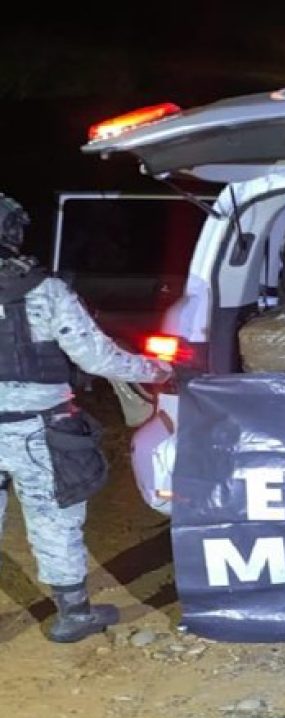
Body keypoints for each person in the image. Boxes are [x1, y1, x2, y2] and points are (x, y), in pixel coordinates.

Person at [0, 192, 172, 642]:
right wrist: (159, 371)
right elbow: (97, 358)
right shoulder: (44, 291)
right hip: (39, 428)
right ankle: (73, 614)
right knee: (52, 517)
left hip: (32, 425)